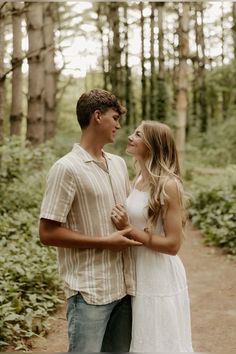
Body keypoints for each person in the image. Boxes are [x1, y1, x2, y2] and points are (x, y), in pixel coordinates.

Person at [39, 89, 141, 352]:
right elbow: (47, 233)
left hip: (124, 289)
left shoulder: (118, 164)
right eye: (114, 117)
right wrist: (105, 242)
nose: (119, 125)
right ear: (97, 116)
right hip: (89, 292)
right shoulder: (66, 168)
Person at [111, 120, 194, 352]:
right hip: (136, 268)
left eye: (138, 134)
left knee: (158, 340)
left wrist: (129, 229)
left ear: (152, 145)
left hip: (158, 273)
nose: (130, 136)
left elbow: (173, 244)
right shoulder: (137, 179)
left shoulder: (168, 185)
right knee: (141, 338)